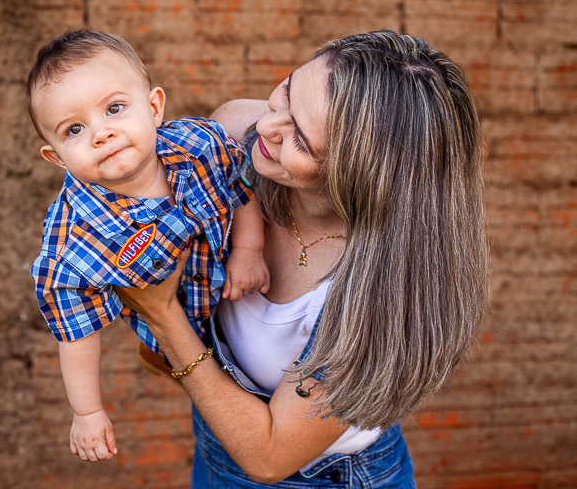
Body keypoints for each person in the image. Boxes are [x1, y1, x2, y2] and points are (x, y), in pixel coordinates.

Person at [116, 30, 488, 487]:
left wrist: (162, 315)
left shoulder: (382, 293)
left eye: (302, 141)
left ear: (359, 176)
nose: (267, 127)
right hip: (216, 445)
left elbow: (268, 457)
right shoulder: (235, 132)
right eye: (287, 92)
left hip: (321, 475)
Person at [28, 29, 271, 463]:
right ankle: (160, 352)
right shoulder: (73, 243)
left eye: (114, 108)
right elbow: (77, 333)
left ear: (154, 107)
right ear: (58, 157)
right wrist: (87, 412)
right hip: (181, 329)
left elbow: (239, 186)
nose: (101, 133)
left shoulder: (199, 145)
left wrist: (248, 250)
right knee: (226, 398)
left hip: (234, 289)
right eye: (75, 129)